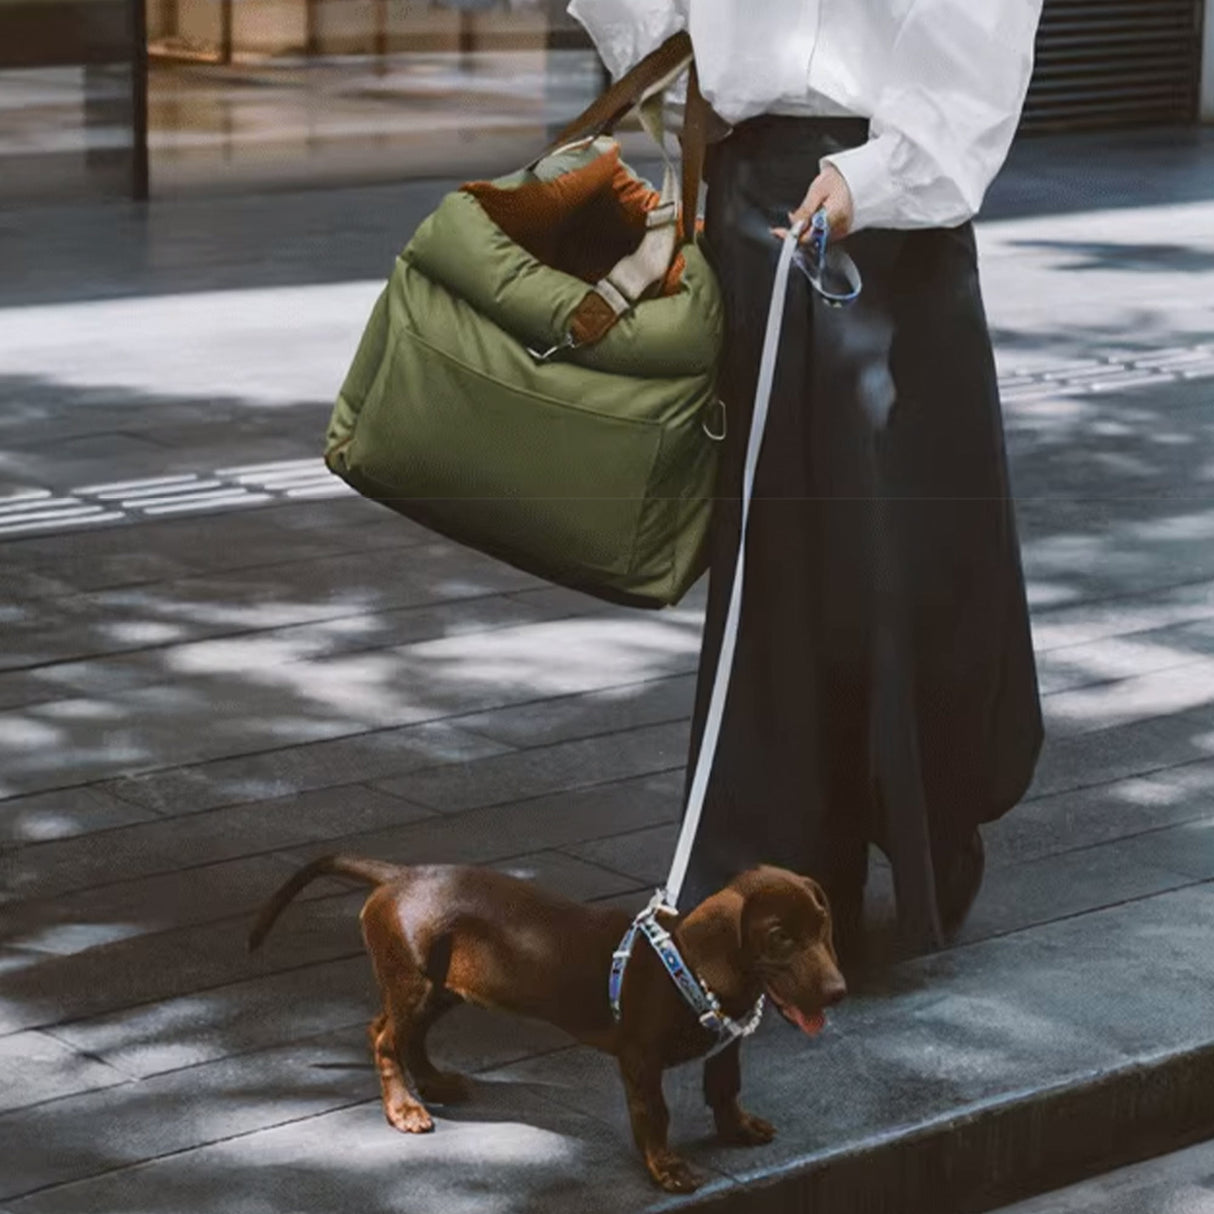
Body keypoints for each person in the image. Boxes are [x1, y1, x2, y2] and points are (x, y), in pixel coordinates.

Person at [568, 0, 1045, 962]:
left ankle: (910, 828)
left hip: (890, 203)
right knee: (778, 547)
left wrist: (882, 172)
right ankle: (778, 869)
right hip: (759, 193)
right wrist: (698, 108)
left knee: (908, 539)